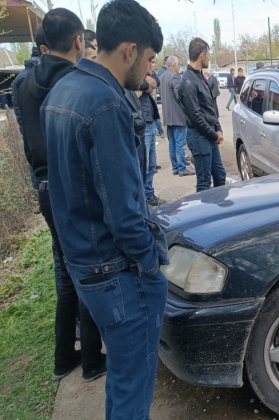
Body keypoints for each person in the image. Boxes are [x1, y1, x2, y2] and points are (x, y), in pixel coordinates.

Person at [41, 1, 169, 417]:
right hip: (117, 274)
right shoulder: (107, 104)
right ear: (130, 50)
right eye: (150, 58)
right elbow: (125, 213)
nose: (150, 70)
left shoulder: (64, 89)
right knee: (133, 391)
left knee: (123, 380)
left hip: (86, 265)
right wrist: (151, 265)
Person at [14, 8, 106, 382]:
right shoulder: (76, 81)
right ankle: (91, 361)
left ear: (42, 44)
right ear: (78, 41)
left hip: (44, 189)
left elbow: (26, 137)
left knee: (65, 273)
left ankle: (63, 356)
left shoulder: (21, 83)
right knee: (85, 269)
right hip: (72, 189)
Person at [178, 37, 226, 192]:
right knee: (204, 182)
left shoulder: (199, 76)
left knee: (220, 176)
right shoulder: (187, 82)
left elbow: (210, 106)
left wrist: (218, 128)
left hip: (209, 134)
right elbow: (196, 116)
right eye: (208, 54)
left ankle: (219, 213)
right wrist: (214, 135)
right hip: (199, 137)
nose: (209, 58)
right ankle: (205, 214)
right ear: (202, 54)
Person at [158, 55, 193, 177]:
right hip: (177, 115)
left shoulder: (161, 77)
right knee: (180, 143)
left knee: (172, 143)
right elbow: (179, 95)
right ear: (173, 65)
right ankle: (182, 168)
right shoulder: (174, 76)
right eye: (178, 65)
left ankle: (175, 168)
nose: (179, 67)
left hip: (168, 115)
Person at [137, 68, 165, 206]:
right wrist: (145, 85)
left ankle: (149, 194)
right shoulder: (133, 72)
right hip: (142, 124)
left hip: (151, 122)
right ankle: (143, 198)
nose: (151, 65)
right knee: (144, 165)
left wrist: (147, 83)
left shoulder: (147, 74)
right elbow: (140, 87)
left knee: (152, 164)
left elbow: (155, 83)